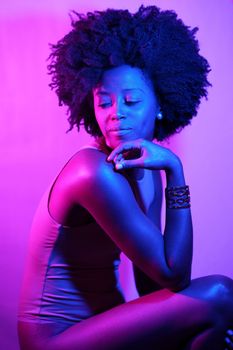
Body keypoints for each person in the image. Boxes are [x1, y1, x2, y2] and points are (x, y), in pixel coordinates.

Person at [17, 5, 233, 350]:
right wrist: (176, 171)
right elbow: (174, 275)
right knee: (220, 295)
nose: (116, 114)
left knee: (207, 321)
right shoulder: (91, 172)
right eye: (104, 102)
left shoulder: (144, 168)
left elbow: (158, 286)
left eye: (131, 100)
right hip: (56, 339)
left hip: (107, 322)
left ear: (160, 103)